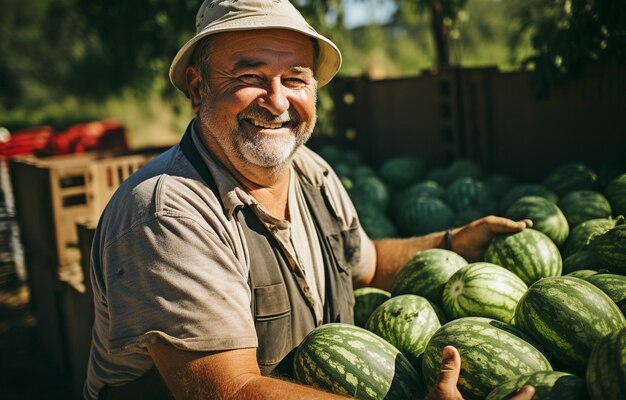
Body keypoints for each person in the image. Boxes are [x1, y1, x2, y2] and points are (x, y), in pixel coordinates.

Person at [84, 1, 536, 399]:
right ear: (198, 87)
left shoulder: (311, 172)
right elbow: (228, 391)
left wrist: (453, 244)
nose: (278, 102)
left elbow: (366, 264)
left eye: (295, 79)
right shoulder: (167, 213)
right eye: (249, 76)